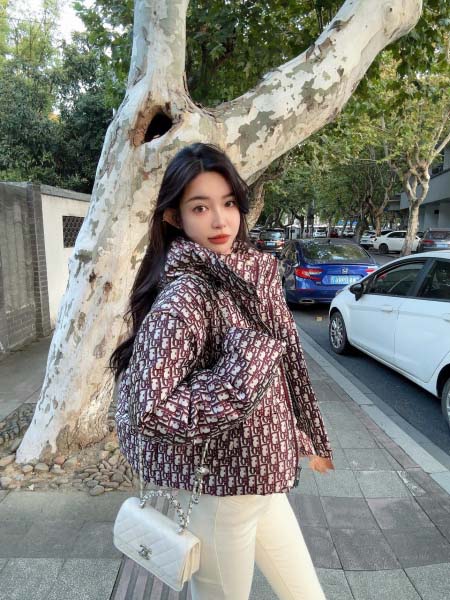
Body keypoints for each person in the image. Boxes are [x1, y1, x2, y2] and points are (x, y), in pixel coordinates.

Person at [110, 143, 334, 600]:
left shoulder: (244, 276)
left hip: (262, 482)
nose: (220, 221)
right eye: (200, 207)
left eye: (229, 203)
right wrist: (236, 381)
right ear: (174, 217)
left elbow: (282, 370)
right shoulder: (186, 298)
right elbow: (149, 409)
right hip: (220, 494)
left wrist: (303, 436)